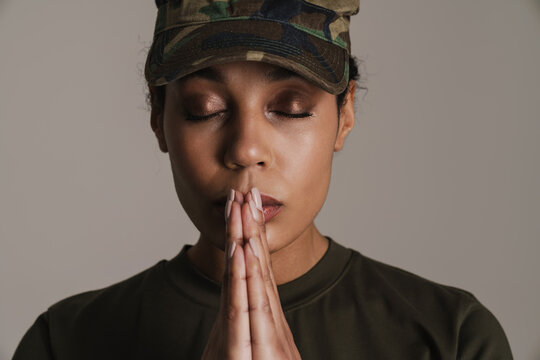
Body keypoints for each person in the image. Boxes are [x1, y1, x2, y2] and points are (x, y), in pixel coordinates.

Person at [13, 0, 513, 359]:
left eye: (290, 109)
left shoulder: (454, 339)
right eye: (203, 109)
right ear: (157, 118)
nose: (246, 149)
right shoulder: (66, 341)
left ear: (345, 115)